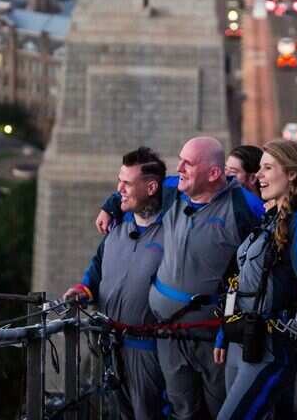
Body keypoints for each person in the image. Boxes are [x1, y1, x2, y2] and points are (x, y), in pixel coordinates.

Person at [97, 135, 265, 420]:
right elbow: (139, 188)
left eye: (188, 163)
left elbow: (256, 273)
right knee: (181, 411)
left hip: (214, 340)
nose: (180, 168)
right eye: (181, 160)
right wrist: (111, 204)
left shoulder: (244, 208)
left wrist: (231, 326)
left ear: (214, 173)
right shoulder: (175, 190)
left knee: (221, 410)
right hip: (168, 336)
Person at [214, 139, 297, 420]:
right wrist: (224, 333)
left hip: (268, 348)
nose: (259, 176)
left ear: (291, 174)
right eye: (259, 169)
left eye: (267, 168)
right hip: (241, 340)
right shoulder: (269, 219)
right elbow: (239, 280)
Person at [64, 147, 167, 420]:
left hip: (148, 350)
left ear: (152, 187)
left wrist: (111, 202)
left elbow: (185, 183)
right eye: (118, 182)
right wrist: (83, 289)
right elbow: (97, 269)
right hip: (109, 346)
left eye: (127, 184)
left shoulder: (174, 229)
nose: (118, 189)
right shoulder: (118, 226)